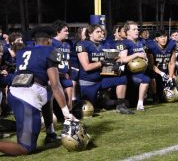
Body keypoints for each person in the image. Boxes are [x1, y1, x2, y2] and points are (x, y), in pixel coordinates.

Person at [0, 26, 76, 155]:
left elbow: (32, 71)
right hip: (28, 98)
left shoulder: (23, 51)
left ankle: (50, 133)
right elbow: (56, 85)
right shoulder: (50, 50)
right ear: (48, 40)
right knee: (26, 148)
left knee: (47, 93)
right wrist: (66, 113)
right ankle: (48, 132)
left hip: (14, 92)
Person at [76, 24, 133, 114]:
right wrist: (102, 62)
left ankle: (121, 105)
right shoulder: (82, 45)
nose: (100, 34)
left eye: (101, 32)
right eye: (97, 32)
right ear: (90, 34)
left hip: (102, 78)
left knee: (122, 77)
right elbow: (87, 67)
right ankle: (106, 102)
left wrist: (116, 59)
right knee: (90, 108)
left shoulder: (106, 44)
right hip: (89, 81)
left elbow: (116, 56)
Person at [118, 21, 150, 111]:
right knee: (145, 79)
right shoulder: (124, 43)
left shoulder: (141, 41)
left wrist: (145, 59)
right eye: (134, 29)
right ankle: (139, 104)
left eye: (137, 29)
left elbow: (144, 54)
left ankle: (140, 103)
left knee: (146, 78)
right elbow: (122, 59)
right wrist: (136, 55)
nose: (137, 31)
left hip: (141, 71)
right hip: (130, 73)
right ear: (127, 32)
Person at [146, 29, 177, 103]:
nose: (163, 39)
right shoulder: (151, 46)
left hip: (166, 69)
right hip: (155, 71)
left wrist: (170, 76)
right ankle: (154, 96)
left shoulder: (171, 44)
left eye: (165, 36)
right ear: (156, 39)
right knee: (152, 76)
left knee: (173, 78)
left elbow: (172, 63)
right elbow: (151, 65)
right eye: (161, 37)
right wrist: (161, 73)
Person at [51, 20, 73, 110]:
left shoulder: (67, 44)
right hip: (54, 76)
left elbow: (68, 60)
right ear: (58, 31)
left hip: (65, 75)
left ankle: (68, 117)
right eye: (65, 31)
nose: (68, 33)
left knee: (69, 87)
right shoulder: (51, 43)